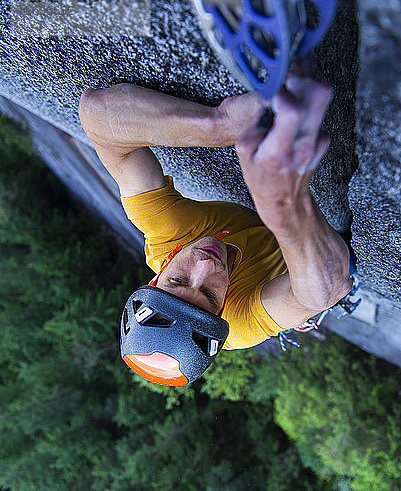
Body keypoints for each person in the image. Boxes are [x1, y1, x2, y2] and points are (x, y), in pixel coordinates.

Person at [78, 69, 352, 384]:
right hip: (300, 258)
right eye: (209, 294)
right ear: (222, 312)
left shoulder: (167, 233)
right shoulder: (241, 323)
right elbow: (325, 291)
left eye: (178, 280)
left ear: (156, 279)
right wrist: (284, 207)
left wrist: (219, 125)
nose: (205, 266)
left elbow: (96, 114)